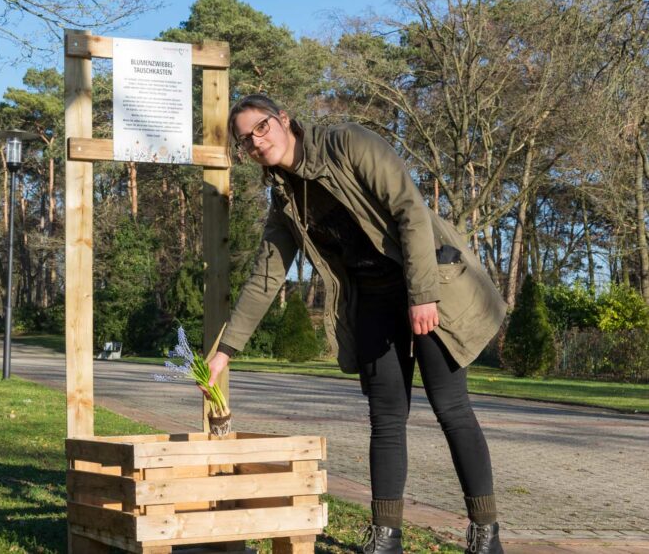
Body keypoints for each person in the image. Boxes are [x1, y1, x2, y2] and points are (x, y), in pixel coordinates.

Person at [206, 94, 507, 554]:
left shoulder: (347, 143)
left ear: (284, 120)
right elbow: (266, 275)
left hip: (426, 284)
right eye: (245, 140)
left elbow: (409, 209)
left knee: (451, 408)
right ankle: (386, 536)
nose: (256, 142)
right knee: (386, 418)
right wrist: (226, 350)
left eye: (261, 128)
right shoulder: (285, 200)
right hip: (372, 302)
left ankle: (485, 534)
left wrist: (423, 295)